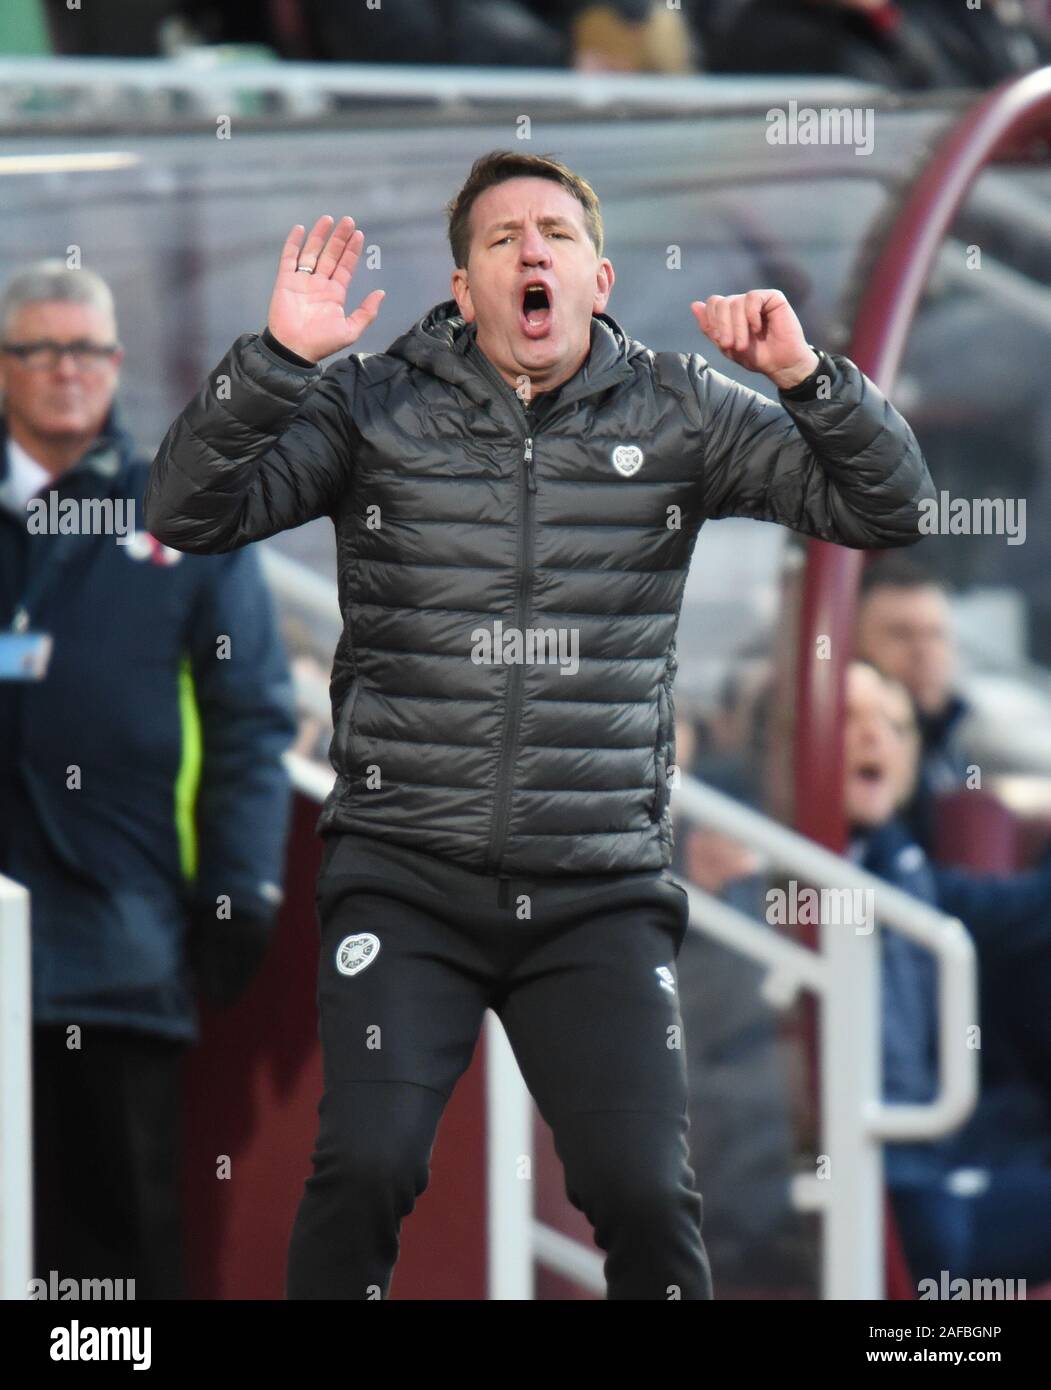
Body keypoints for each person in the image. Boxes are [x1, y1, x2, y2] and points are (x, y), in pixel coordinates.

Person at [144, 148, 934, 1300]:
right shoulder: (371, 403)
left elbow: (891, 505)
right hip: (405, 871)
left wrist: (807, 378)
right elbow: (184, 512)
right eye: (501, 237)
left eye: (554, 236)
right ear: (461, 288)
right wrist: (274, 364)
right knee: (364, 1165)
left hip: (596, 885)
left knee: (648, 1195)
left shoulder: (683, 410)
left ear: (597, 278)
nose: (530, 251)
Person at [0, 261, 297, 1299]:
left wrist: (243, 886)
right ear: (3, 368)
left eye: (85, 348)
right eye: (38, 348)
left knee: (110, 1266)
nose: (65, 370)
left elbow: (253, 714)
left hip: (118, 958)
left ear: (117, 364)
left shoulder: (183, 510)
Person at [842, 660, 1051, 1285]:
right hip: (869, 1188)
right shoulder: (755, 876)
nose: (875, 736)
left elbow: (1025, 912)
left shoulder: (904, 871)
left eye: (895, 726)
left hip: (922, 1169)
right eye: (848, 718)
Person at [854, 553, 970, 854]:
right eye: (901, 634)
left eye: (936, 635)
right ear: (853, 643)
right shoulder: (860, 757)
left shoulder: (948, 741)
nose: (924, 653)